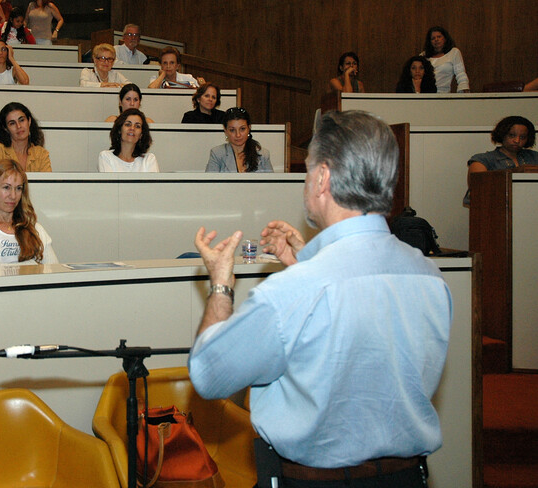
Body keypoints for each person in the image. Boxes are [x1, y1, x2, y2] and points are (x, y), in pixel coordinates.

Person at [189, 110, 452, 487]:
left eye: (308, 169)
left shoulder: (294, 290)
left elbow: (209, 374)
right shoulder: (428, 275)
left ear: (323, 177)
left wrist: (220, 286)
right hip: (409, 477)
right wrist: (304, 264)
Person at [0, 159, 59, 267]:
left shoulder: (36, 230)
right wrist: (35, 264)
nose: (13, 196)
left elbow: (54, 271)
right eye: (6, 187)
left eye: (18, 188)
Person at [464, 116, 538, 205]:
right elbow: (479, 192)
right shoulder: (482, 160)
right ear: (502, 134)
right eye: (512, 135)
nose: (517, 140)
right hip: (495, 210)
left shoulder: (535, 157)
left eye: (522, 137)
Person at [0, 102, 52, 172]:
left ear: (29, 121)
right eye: (12, 123)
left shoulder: (41, 154)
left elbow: (46, 179)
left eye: (21, 120)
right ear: (6, 128)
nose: (18, 126)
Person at [206, 107, 273, 173]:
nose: (238, 135)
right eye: (232, 130)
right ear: (225, 130)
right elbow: (210, 180)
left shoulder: (263, 154)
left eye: (242, 129)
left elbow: (271, 180)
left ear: (249, 128)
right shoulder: (217, 154)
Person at [421, 26, 469, 93]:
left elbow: (460, 73)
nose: (436, 40)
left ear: (445, 38)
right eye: (433, 38)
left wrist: (464, 89)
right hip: (425, 94)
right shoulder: (423, 55)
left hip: (443, 94)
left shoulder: (454, 52)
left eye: (439, 37)